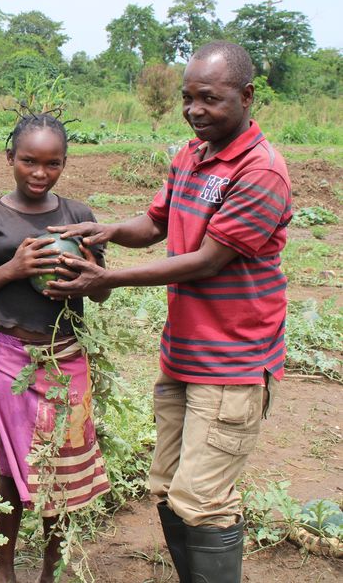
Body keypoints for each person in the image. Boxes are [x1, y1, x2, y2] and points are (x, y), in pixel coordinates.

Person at [46, 41, 292, 583]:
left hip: (232, 360)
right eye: (188, 98)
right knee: (168, 488)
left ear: (247, 96)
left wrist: (106, 278)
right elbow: (156, 223)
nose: (195, 109)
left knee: (201, 500)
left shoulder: (261, 171)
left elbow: (206, 262)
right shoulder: (192, 155)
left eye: (209, 98)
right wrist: (107, 230)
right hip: (183, 353)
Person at [0, 112, 111, 583]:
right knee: (12, 468)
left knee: (60, 474)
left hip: (66, 358)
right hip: (9, 357)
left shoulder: (79, 216)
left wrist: (88, 276)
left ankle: (50, 571)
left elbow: (102, 290)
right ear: (10, 157)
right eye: (28, 160)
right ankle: (4, 569)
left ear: (64, 164)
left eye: (52, 164)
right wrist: (14, 268)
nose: (39, 173)